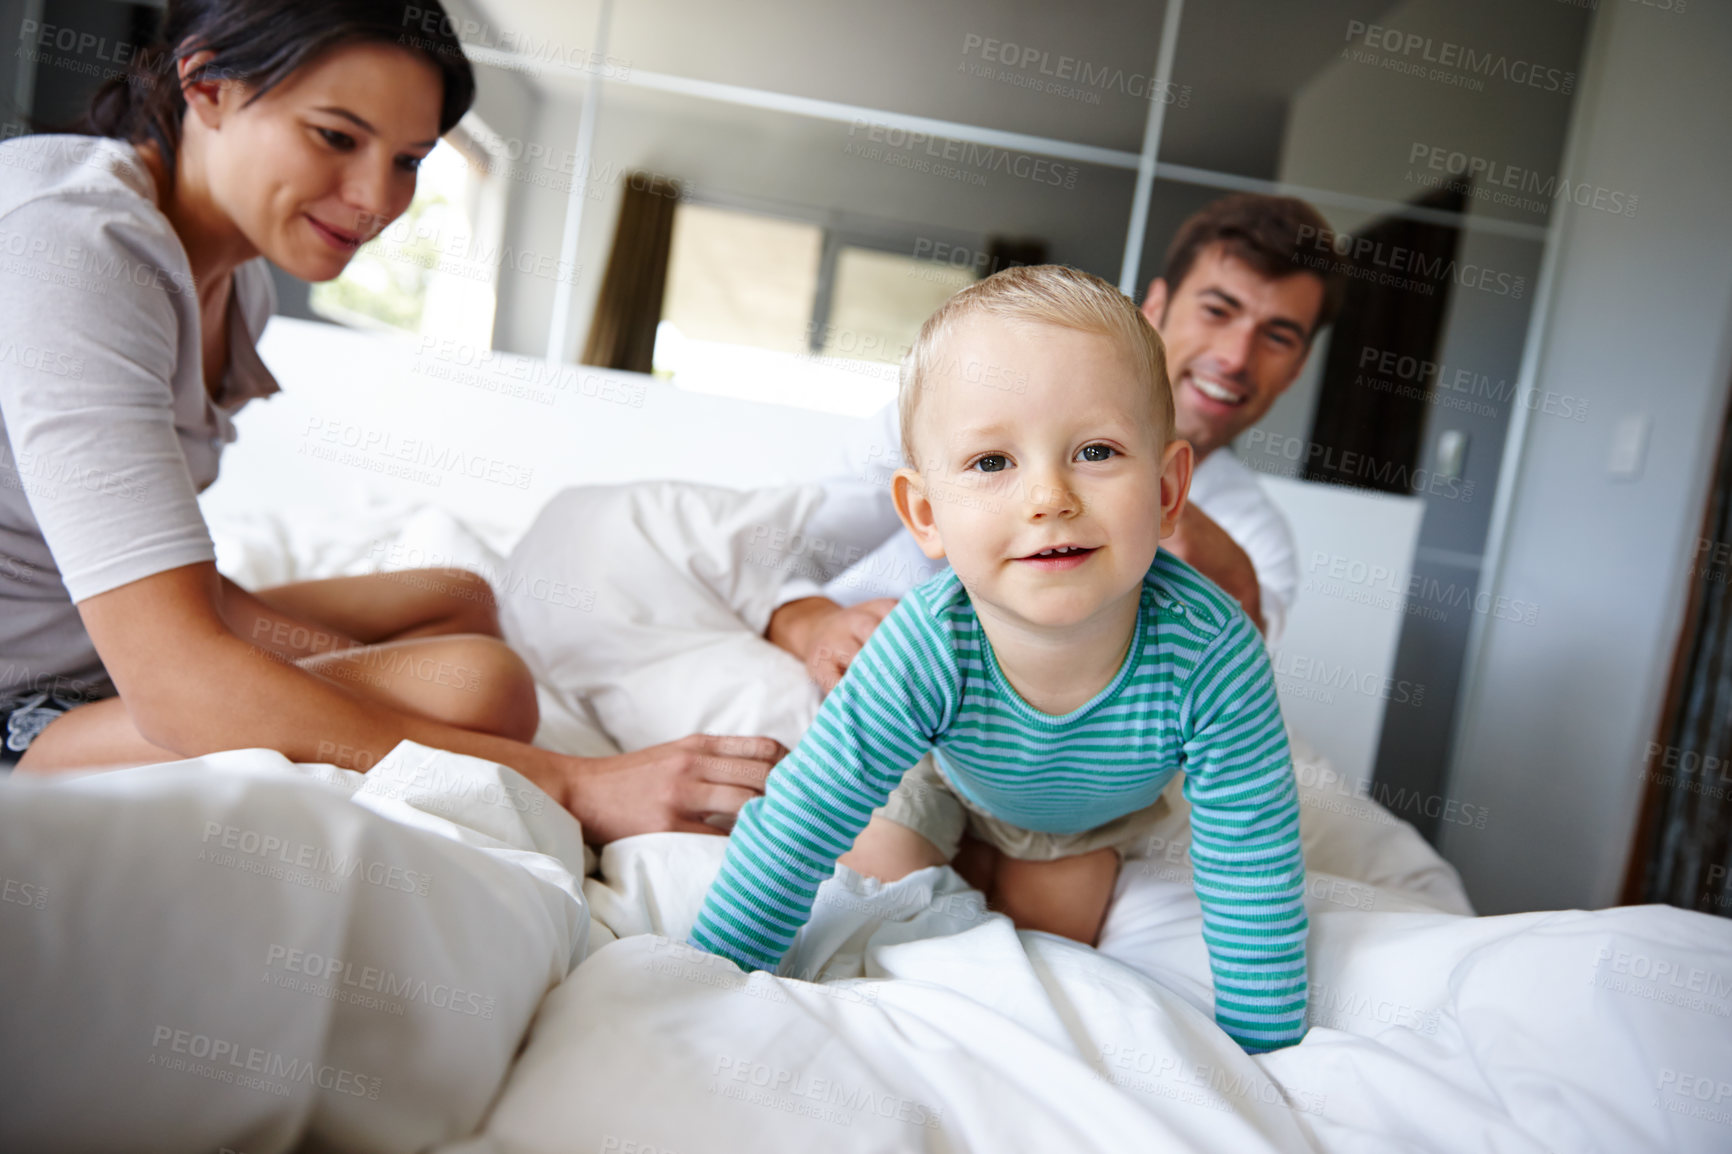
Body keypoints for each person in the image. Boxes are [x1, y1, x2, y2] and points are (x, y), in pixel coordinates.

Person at [0, 0, 781, 844]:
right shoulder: (75, 247)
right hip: (30, 709)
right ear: (208, 85)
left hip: (107, 645)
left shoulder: (239, 284)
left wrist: (305, 666)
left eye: (409, 160)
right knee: (481, 686)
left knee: (457, 595)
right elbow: (175, 681)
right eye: (337, 137)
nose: (377, 199)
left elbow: (149, 582)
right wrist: (572, 782)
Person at [690, 266, 1308, 1054]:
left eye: (1094, 450)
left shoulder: (1214, 656)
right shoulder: (927, 641)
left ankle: (994, 857)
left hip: (1079, 822)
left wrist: (1274, 1061)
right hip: (938, 771)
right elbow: (801, 818)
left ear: (1166, 491)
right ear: (925, 514)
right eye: (992, 463)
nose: (1048, 496)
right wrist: (707, 973)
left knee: (1041, 967)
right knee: (880, 894)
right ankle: (949, 843)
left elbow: (1251, 869)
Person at [765, 194, 1345, 691]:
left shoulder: (1256, 539)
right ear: (1160, 307)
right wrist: (808, 623)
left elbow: (1231, 696)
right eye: (1219, 310)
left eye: (1277, 336)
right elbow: (778, 549)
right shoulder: (957, 411)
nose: (1236, 356)